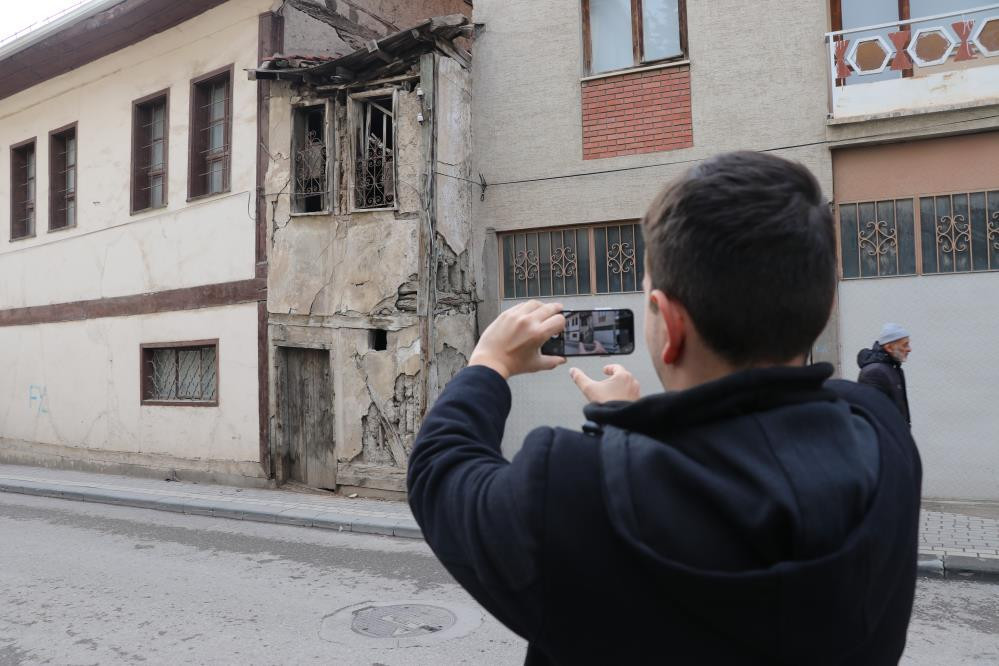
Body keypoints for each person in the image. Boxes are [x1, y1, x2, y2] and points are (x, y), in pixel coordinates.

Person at [407, 152, 921, 665]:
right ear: (825, 303)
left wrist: (489, 362)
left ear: (670, 327)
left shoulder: (572, 494)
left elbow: (441, 468)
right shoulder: (884, 439)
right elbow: (753, 455)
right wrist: (632, 433)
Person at [857, 324, 912, 426]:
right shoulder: (875, 373)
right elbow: (872, 416)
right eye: (905, 345)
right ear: (889, 348)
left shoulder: (894, 368)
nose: (909, 349)